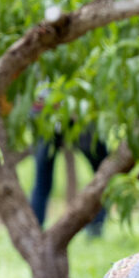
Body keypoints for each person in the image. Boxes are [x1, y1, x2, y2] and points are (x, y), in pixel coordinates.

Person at [28, 96, 108, 236]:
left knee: (104, 170)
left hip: (53, 112)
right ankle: (34, 231)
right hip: (60, 112)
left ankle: (96, 227)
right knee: (43, 179)